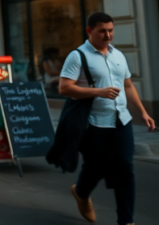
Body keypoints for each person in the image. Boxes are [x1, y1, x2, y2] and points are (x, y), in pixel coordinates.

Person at [59, 12, 155, 225]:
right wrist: (98, 92)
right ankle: (81, 193)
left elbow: (128, 85)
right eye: (102, 31)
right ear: (89, 31)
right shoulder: (78, 56)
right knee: (96, 168)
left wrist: (143, 112)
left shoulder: (118, 55)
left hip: (122, 120)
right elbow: (64, 87)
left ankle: (126, 221)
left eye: (110, 30)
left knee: (125, 168)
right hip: (93, 123)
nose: (108, 35)